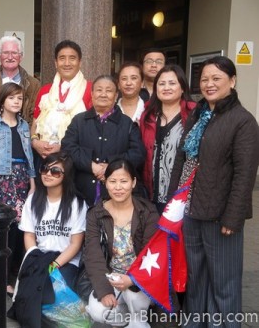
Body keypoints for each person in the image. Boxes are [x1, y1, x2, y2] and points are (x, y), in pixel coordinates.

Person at [168, 56, 259, 327]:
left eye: (216, 78)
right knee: (197, 279)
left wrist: (233, 217)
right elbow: (183, 161)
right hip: (193, 210)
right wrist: (175, 201)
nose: (209, 84)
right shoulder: (199, 115)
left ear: (232, 81)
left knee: (224, 283)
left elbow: (245, 175)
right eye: (205, 79)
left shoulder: (242, 121)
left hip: (221, 217)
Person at [84, 159, 159, 327]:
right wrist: (104, 290)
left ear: (133, 183)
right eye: (112, 181)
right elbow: (93, 254)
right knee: (99, 312)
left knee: (134, 303)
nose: (118, 187)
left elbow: (152, 254)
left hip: (139, 278)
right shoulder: (96, 213)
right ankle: (129, 314)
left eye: (124, 181)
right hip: (112, 277)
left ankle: (138, 317)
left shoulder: (147, 212)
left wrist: (132, 280)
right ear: (106, 183)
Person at [0, 82, 36, 295]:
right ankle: (0, 279)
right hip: (0, 181)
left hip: (21, 179)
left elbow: (29, 157)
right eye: (11, 97)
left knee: (20, 230)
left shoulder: (24, 126)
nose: (16, 102)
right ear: (2, 100)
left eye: (19, 98)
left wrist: (33, 183)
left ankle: (14, 275)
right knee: (3, 230)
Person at [61, 74, 145, 206]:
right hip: (80, 194)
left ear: (116, 95)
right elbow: (67, 147)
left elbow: (137, 154)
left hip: (117, 196)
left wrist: (111, 167)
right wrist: (91, 165)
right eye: (99, 90)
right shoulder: (79, 120)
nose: (103, 94)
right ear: (92, 93)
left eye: (109, 90)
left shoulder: (127, 123)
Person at [19, 152, 87, 288]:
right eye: (44, 169)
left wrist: (54, 265)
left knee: (53, 287)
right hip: (39, 257)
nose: (48, 174)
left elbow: (75, 244)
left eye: (55, 171)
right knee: (28, 290)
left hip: (66, 260)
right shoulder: (33, 200)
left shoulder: (77, 204)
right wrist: (36, 260)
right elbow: (29, 235)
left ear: (66, 175)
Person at [140, 64, 196, 214]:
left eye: (172, 83)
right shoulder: (148, 116)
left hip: (182, 195)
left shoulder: (194, 115)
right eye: (162, 83)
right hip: (151, 194)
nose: (166, 87)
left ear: (182, 87)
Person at [31, 40, 92, 160]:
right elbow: (35, 123)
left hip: (76, 158)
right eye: (62, 58)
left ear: (80, 62)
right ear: (55, 63)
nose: (67, 63)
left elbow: (93, 131)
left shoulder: (91, 89)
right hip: (44, 158)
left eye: (72, 58)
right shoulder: (45, 90)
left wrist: (63, 146)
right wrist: (34, 142)